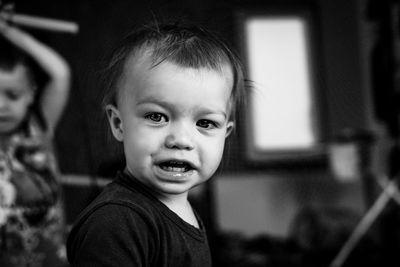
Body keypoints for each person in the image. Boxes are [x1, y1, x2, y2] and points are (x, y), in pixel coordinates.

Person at [67, 21, 245, 267]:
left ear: (226, 133)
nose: (181, 140)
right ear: (119, 124)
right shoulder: (117, 222)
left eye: (205, 123)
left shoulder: (183, 210)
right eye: (157, 117)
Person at [0, 19, 70, 266]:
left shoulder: (38, 127)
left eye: (13, 95)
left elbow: (60, 72)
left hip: (48, 258)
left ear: (31, 92)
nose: (1, 106)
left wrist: (7, 30)